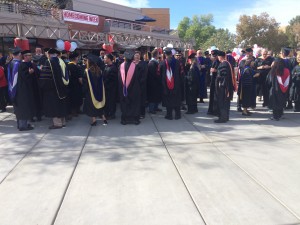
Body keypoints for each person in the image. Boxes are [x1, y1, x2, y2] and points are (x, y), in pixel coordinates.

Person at [39, 48, 69, 129]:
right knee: (61, 104)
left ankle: (57, 124)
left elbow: (46, 77)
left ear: (49, 54)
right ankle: (63, 122)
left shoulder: (48, 61)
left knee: (54, 105)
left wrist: (42, 85)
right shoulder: (61, 61)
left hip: (52, 89)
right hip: (62, 87)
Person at [82, 53, 107, 126]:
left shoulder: (87, 71)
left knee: (92, 105)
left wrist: (84, 91)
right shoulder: (99, 70)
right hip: (99, 91)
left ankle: (94, 120)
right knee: (99, 104)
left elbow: (85, 83)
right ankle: (104, 118)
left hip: (90, 92)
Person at [118, 49, 142, 125]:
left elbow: (119, 79)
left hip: (124, 89)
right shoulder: (135, 66)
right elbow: (138, 78)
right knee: (134, 104)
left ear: (124, 57)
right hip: (134, 89)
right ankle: (135, 119)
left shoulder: (121, 66)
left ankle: (124, 119)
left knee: (125, 104)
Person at [214, 51, 236, 123]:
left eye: (218, 56)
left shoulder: (223, 64)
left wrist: (220, 84)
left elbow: (223, 76)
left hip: (223, 87)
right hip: (227, 86)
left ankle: (222, 118)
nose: (217, 58)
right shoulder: (228, 63)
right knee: (226, 102)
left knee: (222, 102)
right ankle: (226, 117)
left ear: (220, 57)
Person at [161, 47, 182, 120]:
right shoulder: (177, 62)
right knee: (176, 99)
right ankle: (177, 115)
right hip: (176, 83)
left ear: (165, 54)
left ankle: (169, 115)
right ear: (171, 54)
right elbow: (181, 72)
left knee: (168, 99)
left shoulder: (163, 62)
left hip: (167, 83)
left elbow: (160, 74)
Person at [103, 53, 118, 120]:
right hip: (106, 88)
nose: (104, 59)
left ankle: (111, 114)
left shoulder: (113, 68)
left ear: (109, 59)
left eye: (105, 58)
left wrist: (105, 82)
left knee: (111, 102)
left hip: (111, 89)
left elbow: (112, 80)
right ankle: (106, 113)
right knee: (106, 102)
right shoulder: (106, 66)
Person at [68, 52, 83, 117]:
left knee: (72, 97)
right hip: (76, 84)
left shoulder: (67, 65)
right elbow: (79, 78)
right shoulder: (76, 66)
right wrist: (82, 84)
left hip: (70, 84)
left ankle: (74, 110)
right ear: (75, 58)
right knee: (77, 97)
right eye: (77, 57)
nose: (78, 58)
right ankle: (76, 110)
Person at [147, 49, 162, 114]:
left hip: (156, 83)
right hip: (153, 83)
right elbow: (154, 74)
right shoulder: (152, 63)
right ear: (156, 55)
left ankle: (155, 107)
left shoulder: (155, 62)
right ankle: (151, 109)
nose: (159, 55)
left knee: (156, 95)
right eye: (158, 54)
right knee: (152, 96)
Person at [133, 51, 148, 119]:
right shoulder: (132, 63)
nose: (137, 57)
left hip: (141, 85)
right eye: (135, 55)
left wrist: (139, 82)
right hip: (133, 85)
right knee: (135, 100)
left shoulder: (144, 63)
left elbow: (145, 74)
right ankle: (136, 112)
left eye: (138, 55)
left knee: (142, 100)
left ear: (140, 56)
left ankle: (142, 113)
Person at [207, 50, 220, 116]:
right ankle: (211, 109)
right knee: (212, 96)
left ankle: (215, 110)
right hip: (212, 80)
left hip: (217, 81)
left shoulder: (220, 62)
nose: (214, 57)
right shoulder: (214, 62)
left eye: (215, 56)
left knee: (216, 96)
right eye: (213, 56)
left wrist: (216, 70)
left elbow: (221, 71)